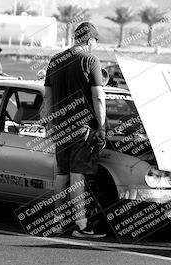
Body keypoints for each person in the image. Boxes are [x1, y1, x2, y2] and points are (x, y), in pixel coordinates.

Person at [44, 21, 107, 238]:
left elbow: (48, 98)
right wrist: (102, 126)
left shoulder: (55, 60)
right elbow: (98, 97)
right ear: (89, 40)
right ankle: (81, 225)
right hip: (82, 129)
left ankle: (58, 223)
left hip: (60, 129)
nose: (95, 46)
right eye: (95, 42)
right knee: (77, 176)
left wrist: (51, 126)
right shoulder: (90, 60)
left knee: (61, 176)